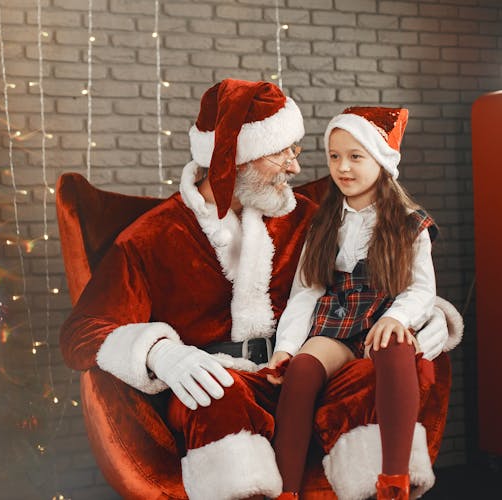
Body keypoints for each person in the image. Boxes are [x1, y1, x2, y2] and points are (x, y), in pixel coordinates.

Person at [59, 80, 459, 499]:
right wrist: (161, 353)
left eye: (296, 151)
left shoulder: (308, 218)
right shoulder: (150, 238)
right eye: (280, 153)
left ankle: (385, 486)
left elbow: (372, 275)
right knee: (216, 397)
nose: (294, 168)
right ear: (234, 158)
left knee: (385, 371)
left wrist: (424, 313)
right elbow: (81, 331)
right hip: (224, 382)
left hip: (307, 370)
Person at [268, 107, 438, 500]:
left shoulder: (410, 222)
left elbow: (421, 289)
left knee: (395, 346)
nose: (343, 167)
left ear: (381, 159)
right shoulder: (325, 222)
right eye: (334, 156)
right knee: (303, 371)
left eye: (355, 156)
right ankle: (286, 491)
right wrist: (287, 348)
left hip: (380, 319)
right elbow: (306, 291)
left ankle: (394, 481)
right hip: (335, 323)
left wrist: (397, 317)